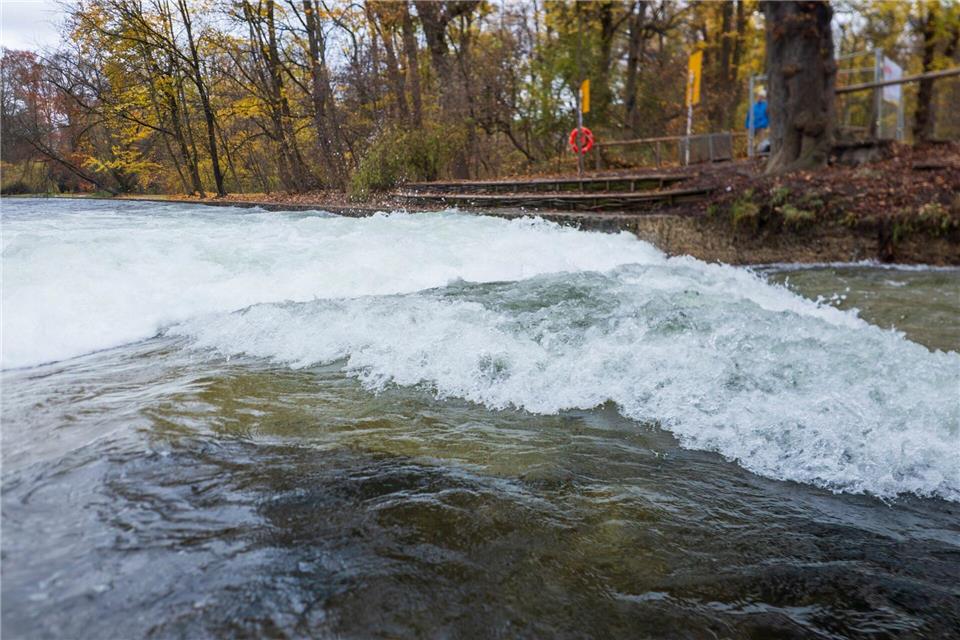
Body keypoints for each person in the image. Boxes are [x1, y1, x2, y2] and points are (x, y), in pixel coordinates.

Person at [746, 89, 770, 154]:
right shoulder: (753, 106)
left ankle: (762, 155)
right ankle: (751, 154)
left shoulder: (766, 106)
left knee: (762, 141)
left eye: (761, 97)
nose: (760, 98)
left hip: (761, 126)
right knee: (750, 141)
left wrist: (766, 124)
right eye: (759, 96)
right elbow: (748, 116)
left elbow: (768, 116)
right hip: (753, 126)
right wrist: (747, 125)